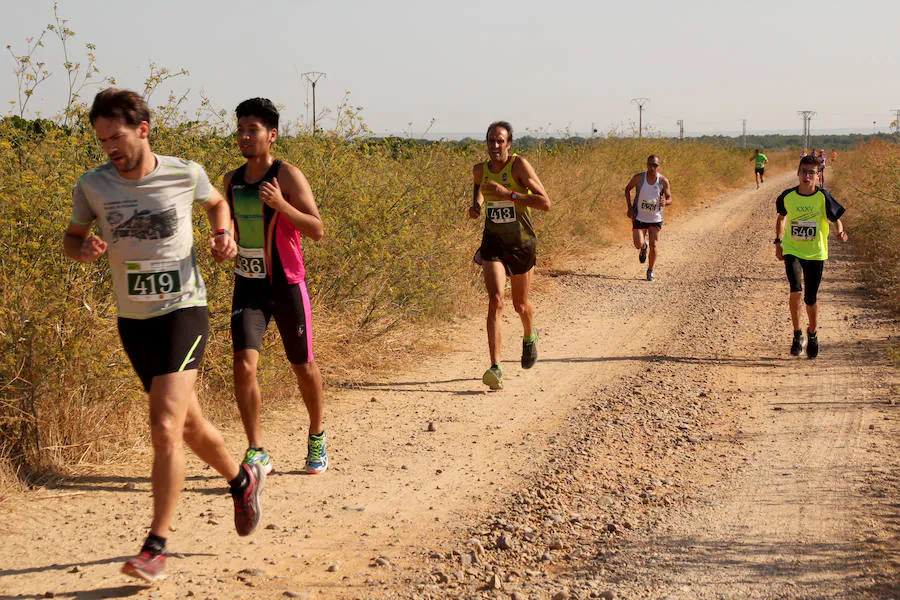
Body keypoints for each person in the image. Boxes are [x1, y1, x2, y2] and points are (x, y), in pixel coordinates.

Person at [63, 88, 264, 583]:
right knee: (188, 427)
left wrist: (224, 235)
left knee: (164, 426)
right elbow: (71, 237)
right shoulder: (93, 185)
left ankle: (156, 545)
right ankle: (242, 481)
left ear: (142, 129)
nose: (108, 146)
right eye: (101, 139)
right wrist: (80, 247)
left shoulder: (183, 172)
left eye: (115, 136)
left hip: (184, 311)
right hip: (134, 321)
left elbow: (218, 204)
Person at [224, 98, 327, 475]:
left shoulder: (287, 175)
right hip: (248, 286)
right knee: (243, 363)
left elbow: (317, 230)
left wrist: (282, 204)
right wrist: (225, 242)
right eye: (240, 130)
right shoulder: (232, 180)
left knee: (302, 365)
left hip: (287, 285)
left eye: (252, 130)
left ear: (272, 135)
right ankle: (256, 449)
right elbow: (231, 227)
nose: (245, 137)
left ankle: (316, 434)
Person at [468, 121, 551, 390]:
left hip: (521, 244)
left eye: (500, 141)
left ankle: (529, 336)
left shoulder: (518, 166)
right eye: (491, 140)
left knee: (520, 305)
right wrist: (476, 207)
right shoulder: (479, 170)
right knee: (495, 300)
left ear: (509, 144)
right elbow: (479, 190)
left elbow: (544, 203)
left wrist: (510, 194)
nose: (495, 146)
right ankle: (496, 367)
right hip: (493, 243)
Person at [774, 155, 848, 358]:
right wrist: (778, 241)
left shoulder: (823, 197)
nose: (807, 176)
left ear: (818, 175)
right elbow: (781, 218)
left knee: (810, 298)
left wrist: (840, 233)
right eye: (803, 171)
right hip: (792, 250)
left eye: (811, 172)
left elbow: (836, 220)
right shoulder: (787, 196)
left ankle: (812, 333)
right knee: (795, 289)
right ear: (798, 173)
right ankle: (797, 334)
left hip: (816, 253)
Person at [624, 155, 672, 281]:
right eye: (650, 165)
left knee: (654, 244)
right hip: (639, 216)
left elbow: (669, 198)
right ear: (647, 165)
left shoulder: (663, 181)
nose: (652, 168)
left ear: (658, 166)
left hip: (655, 217)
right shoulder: (639, 178)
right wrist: (629, 208)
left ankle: (650, 270)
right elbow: (627, 189)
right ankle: (643, 247)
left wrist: (665, 202)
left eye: (655, 165)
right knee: (637, 244)